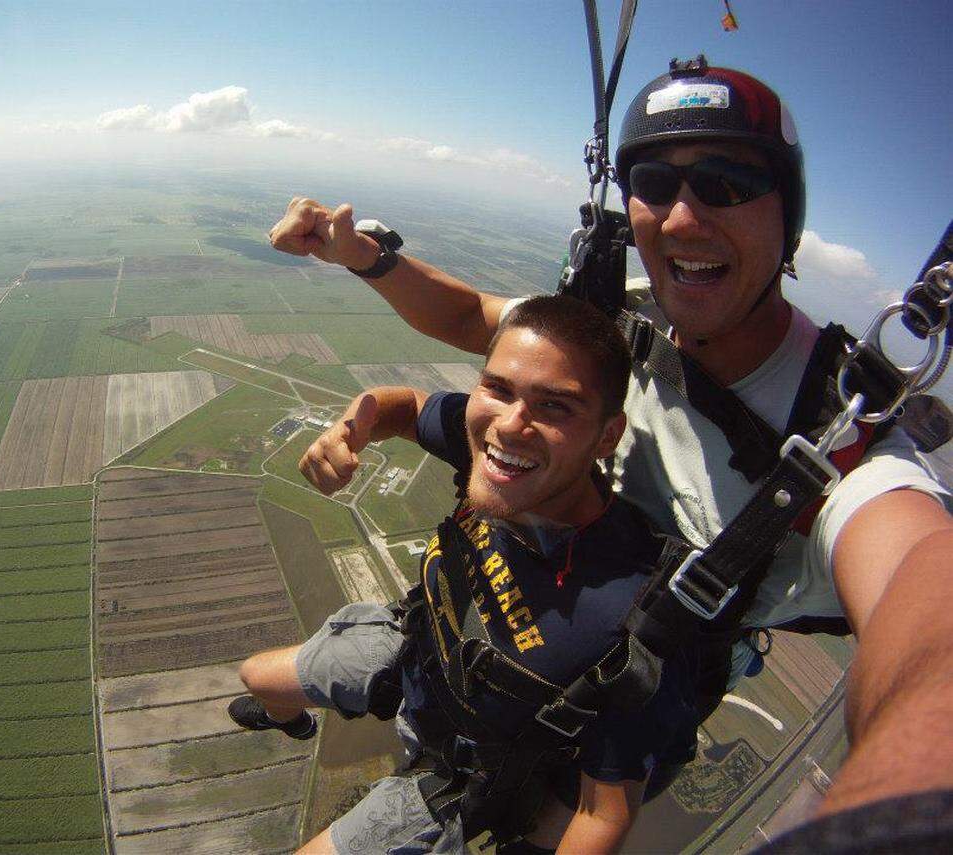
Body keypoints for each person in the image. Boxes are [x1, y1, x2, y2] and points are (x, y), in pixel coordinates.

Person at [266, 60, 953, 817]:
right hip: (508, 605)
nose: (685, 217)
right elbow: (471, 318)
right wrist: (364, 255)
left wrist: (901, 811)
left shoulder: (840, 437)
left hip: (607, 715)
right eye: (656, 183)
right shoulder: (625, 313)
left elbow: (923, 583)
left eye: (725, 181)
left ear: (785, 215)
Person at [230, 296, 699, 853]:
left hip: (463, 768)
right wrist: (349, 430)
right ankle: (296, 723)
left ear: (606, 436)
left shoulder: (629, 614)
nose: (510, 424)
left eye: (555, 408)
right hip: (415, 649)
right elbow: (402, 406)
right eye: (498, 388)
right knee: (255, 675)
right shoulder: (491, 451)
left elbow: (603, 813)